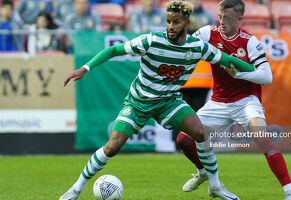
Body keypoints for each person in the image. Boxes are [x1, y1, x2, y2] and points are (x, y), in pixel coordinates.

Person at [59, 0, 254, 199]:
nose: (170, 26)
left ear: (186, 23)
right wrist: (85, 68)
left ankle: (215, 186)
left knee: (200, 132)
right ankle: (76, 189)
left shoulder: (198, 47)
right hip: (138, 102)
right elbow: (114, 50)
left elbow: (228, 60)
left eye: (176, 22)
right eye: (168, 21)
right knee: (112, 147)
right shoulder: (151, 41)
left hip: (168, 102)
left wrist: (259, 70)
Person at [176, 0, 291, 200]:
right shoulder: (209, 33)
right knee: (184, 140)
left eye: (228, 18)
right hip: (218, 102)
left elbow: (267, 77)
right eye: (221, 17)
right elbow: (188, 44)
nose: (222, 21)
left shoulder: (250, 42)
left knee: (262, 137)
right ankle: (203, 172)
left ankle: (290, 191)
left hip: (246, 101)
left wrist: (240, 75)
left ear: (239, 19)